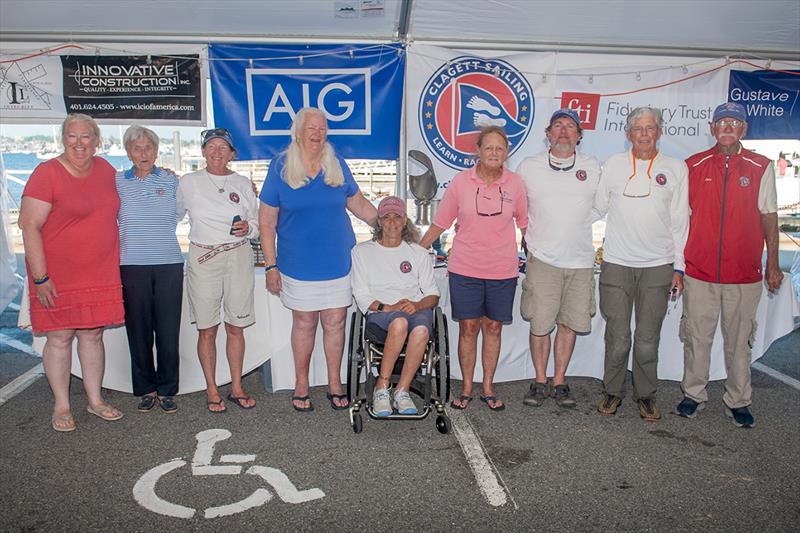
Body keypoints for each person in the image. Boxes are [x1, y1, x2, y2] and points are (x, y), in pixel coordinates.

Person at [259, 108, 377, 412]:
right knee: (305, 322)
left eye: (322, 128)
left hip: (338, 260)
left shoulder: (335, 163)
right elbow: (267, 223)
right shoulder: (281, 166)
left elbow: (358, 203)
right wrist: (271, 266)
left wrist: (389, 224)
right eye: (311, 128)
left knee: (336, 322)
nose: (317, 133)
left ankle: (334, 382)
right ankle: (301, 384)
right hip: (297, 263)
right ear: (298, 131)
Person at [677, 102, 783, 428]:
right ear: (711, 128)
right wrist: (678, 266)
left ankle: (738, 400)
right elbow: (679, 220)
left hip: (743, 274)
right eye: (721, 121)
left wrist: (773, 264)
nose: (727, 126)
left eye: (734, 122)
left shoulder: (760, 166)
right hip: (699, 272)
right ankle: (693, 395)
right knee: (697, 337)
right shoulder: (692, 165)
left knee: (739, 342)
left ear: (744, 129)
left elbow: (769, 217)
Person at [19, 113, 124, 432]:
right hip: (57, 275)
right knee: (60, 337)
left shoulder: (106, 169)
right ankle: (62, 405)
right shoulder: (46, 173)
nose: (79, 143)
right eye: (72, 137)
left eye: (86, 137)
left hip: (99, 271)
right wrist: (40, 277)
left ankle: (95, 400)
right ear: (63, 139)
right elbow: (28, 225)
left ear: (97, 140)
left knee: (93, 335)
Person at [420, 126, 528, 411]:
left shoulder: (515, 184)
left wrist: (538, 256)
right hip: (465, 267)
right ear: (477, 151)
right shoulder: (460, 182)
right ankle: (467, 387)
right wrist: (416, 250)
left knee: (493, 327)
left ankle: (488, 387)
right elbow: (441, 222)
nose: (494, 153)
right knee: (468, 328)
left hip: (502, 269)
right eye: (488, 147)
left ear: (507, 153)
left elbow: (526, 225)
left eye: (500, 148)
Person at [593, 107, 689, 421]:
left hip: (658, 265)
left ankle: (646, 395)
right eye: (638, 128)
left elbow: (679, 224)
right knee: (618, 338)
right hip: (617, 263)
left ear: (659, 132)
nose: (645, 134)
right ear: (628, 133)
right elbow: (595, 208)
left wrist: (679, 267)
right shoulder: (613, 165)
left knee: (647, 341)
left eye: (650, 128)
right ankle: (612, 391)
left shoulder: (675, 168)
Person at [516, 109, 600, 408]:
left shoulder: (592, 166)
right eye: (558, 126)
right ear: (548, 134)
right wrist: (529, 234)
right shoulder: (529, 166)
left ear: (579, 135)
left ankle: (560, 381)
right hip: (543, 260)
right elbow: (516, 204)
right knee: (540, 324)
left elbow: (601, 205)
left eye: (570, 126)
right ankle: (540, 381)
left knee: (569, 324)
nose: (564, 131)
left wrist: (573, 224)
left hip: (579, 262)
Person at [178, 128, 259, 413]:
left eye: (222, 147)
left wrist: (249, 228)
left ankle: (236, 386)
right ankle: (212, 389)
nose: (216, 151)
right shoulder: (188, 182)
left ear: (232, 153)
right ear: (202, 151)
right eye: (210, 146)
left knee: (236, 327)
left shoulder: (243, 183)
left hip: (237, 257)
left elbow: (257, 223)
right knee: (207, 329)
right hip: (204, 258)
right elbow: (172, 216)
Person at [351, 196, 440, 416]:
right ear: (379, 221)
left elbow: (433, 295)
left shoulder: (418, 253)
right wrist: (387, 308)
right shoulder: (361, 252)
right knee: (399, 322)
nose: (392, 222)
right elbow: (361, 295)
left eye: (397, 217)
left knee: (420, 330)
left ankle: (402, 390)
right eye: (386, 217)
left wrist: (417, 305)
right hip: (382, 313)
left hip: (415, 310)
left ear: (404, 221)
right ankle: (382, 387)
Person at [116, 125, 183, 413]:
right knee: (138, 331)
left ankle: (167, 389)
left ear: (157, 151)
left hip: (168, 263)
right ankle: (146, 388)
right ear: (128, 151)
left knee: (168, 331)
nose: (143, 153)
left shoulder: (171, 181)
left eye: (148, 147)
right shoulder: (117, 181)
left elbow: (182, 212)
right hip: (131, 265)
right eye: (137, 147)